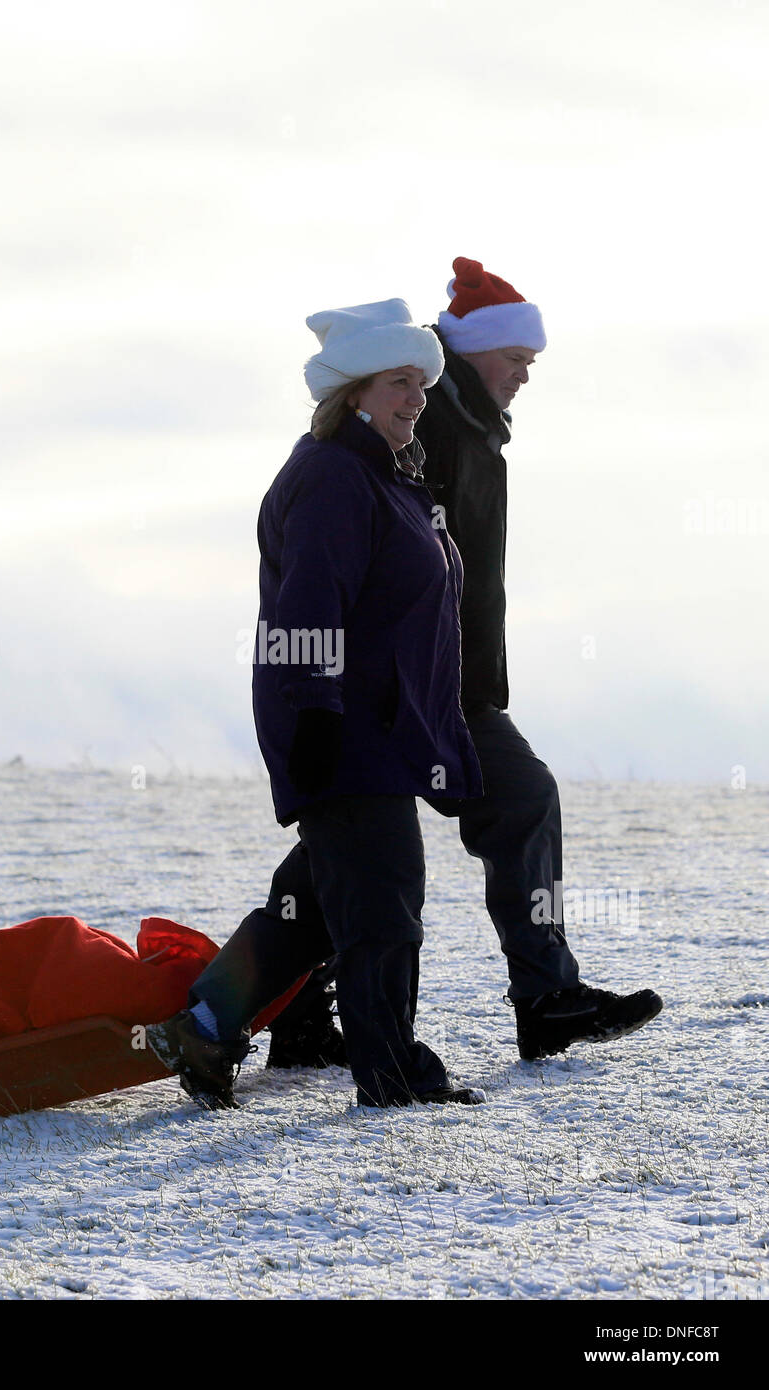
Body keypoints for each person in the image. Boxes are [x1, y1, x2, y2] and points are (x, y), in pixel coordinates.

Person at [267, 258, 663, 1067]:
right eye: (516, 358)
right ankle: (539, 996)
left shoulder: (468, 434)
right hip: (410, 691)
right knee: (472, 815)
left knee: (349, 854)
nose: (524, 376)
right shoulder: (415, 434)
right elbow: (343, 576)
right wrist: (319, 700)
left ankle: (296, 1012)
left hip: (442, 685)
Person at [148, 299, 487, 1110]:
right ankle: (391, 1073)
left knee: (310, 905)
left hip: (379, 729)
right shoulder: (336, 476)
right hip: (344, 731)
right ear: (352, 392)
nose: (415, 397)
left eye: (422, 382)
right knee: (382, 904)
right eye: (398, 381)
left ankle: (202, 1026)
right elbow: (307, 607)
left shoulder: (385, 475)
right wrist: (316, 716)